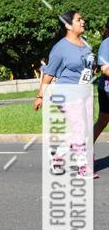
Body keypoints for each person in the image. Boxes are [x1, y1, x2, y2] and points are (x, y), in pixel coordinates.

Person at [34, 10, 96, 177]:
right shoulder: (60, 48)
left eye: (82, 18)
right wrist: (40, 96)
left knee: (82, 130)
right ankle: (83, 167)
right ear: (68, 25)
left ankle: (57, 156)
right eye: (79, 19)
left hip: (85, 92)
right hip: (67, 92)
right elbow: (48, 75)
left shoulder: (85, 43)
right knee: (80, 128)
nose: (83, 21)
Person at [93, 21, 109, 145]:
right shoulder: (106, 44)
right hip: (107, 90)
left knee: (102, 121)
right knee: (102, 121)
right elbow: (105, 69)